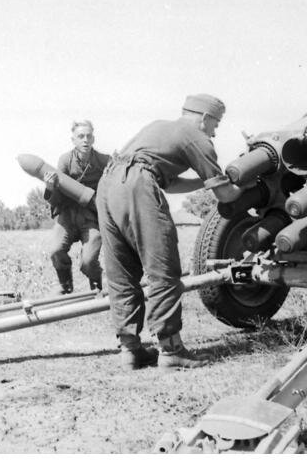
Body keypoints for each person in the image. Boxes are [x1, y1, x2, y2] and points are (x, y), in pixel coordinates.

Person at [96, 94, 246, 370]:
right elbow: (225, 195)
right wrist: (244, 187)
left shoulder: (160, 127)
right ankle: (171, 349)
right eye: (216, 123)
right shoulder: (197, 137)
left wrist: (205, 181)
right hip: (137, 186)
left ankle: (130, 351)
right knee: (162, 267)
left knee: (123, 273)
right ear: (204, 118)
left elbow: (171, 183)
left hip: (108, 185)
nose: (216, 130)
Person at [44, 120, 110, 294]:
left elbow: (113, 188)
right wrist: (50, 187)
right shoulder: (65, 161)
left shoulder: (104, 161)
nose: (85, 140)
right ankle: (65, 286)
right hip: (67, 216)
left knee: (88, 261)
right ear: (73, 140)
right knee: (56, 250)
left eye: (88, 136)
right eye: (80, 136)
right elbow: (57, 196)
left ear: (93, 139)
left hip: (91, 218)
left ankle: (96, 287)